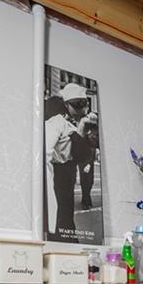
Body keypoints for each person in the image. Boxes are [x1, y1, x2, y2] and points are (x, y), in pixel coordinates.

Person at [44, 82, 96, 241]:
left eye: (84, 103)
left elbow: (84, 152)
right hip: (58, 173)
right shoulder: (57, 121)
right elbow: (46, 151)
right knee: (62, 217)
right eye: (77, 104)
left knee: (66, 215)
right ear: (66, 104)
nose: (82, 108)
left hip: (69, 172)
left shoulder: (81, 122)